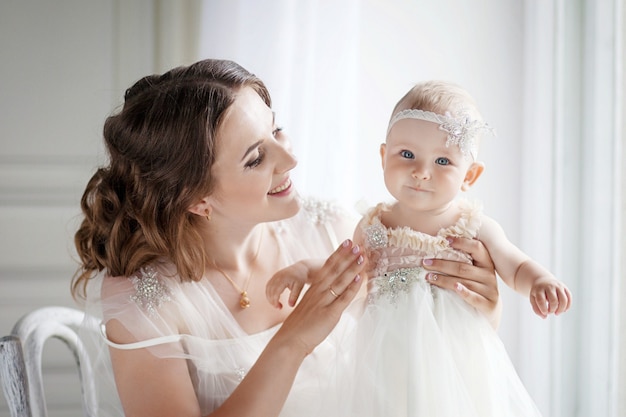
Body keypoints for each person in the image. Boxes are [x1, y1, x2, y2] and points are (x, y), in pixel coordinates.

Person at [72, 60, 502, 417]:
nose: (291, 158)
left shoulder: (334, 229)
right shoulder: (145, 299)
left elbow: (423, 358)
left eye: (276, 131)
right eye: (256, 158)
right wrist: (292, 340)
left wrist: (479, 309)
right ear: (198, 199)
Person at [268, 80, 572, 416]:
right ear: (384, 156)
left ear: (469, 175)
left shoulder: (473, 226)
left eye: (442, 161)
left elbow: (514, 265)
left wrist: (539, 281)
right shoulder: (373, 227)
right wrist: (301, 270)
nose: (421, 172)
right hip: (386, 360)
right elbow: (341, 270)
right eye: (407, 155)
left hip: (455, 362)